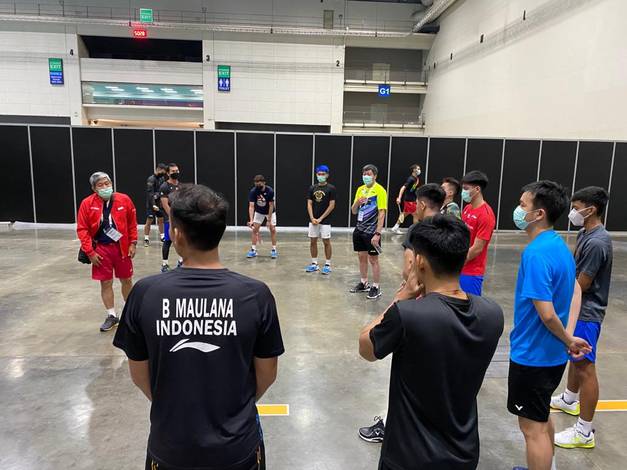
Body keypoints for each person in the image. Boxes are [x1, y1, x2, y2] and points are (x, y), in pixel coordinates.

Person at [113, 184, 284, 470]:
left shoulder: (144, 294)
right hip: (237, 449)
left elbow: (140, 376)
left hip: (170, 447)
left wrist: (173, 404)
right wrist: (233, 408)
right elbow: (267, 375)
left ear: (176, 233)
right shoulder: (256, 295)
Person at [359, 215, 504, 469]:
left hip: (409, 457)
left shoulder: (408, 315)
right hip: (463, 453)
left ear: (421, 262)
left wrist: (401, 298)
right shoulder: (492, 313)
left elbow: (366, 347)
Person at [508, 180, 591, 470]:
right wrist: (567, 338)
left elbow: (546, 313)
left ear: (539, 213)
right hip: (551, 354)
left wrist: (568, 339)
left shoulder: (536, 253)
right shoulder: (559, 245)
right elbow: (573, 294)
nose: (518, 210)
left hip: (533, 355)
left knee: (532, 430)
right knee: (541, 417)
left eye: (523, 205)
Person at [358, 183, 446, 444]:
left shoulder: (418, 230)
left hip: (417, 303)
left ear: (420, 204)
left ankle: (391, 424)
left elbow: (410, 268)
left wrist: (405, 291)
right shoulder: (450, 225)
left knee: (407, 370)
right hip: (443, 301)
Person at [552, 187, 613, 449]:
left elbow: (583, 283)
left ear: (592, 209)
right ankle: (568, 399)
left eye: (577, 208)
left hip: (587, 312)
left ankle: (584, 432)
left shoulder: (598, 242)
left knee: (585, 367)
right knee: (575, 359)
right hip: (579, 308)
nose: (573, 212)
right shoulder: (585, 232)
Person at [77, 172, 137, 332]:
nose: (105, 187)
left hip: (122, 247)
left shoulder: (124, 199)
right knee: (105, 282)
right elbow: (82, 229)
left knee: (127, 279)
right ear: (93, 188)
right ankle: (111, 315)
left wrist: (133, 242)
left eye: (107, 183)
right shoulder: (87, 203)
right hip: (101, 249)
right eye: (100, 185)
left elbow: (132, 222)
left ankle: (130, 313)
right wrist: (90, 252)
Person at [350, 164, 388, 300]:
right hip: (359, 229)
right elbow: (354, 211)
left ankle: (376, 286)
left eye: (369, 174)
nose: (366, 176)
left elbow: (382, 213)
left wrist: (377, 234)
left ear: (375, 176)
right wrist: (357, 203)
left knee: (373, 259)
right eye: (364, 174)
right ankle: (364, 282)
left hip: (372, 231)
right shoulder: (360, 189)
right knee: (361, 256)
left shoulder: (380, 191)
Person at [459, 170, 496, 295]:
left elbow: (477, 248)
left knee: (469, 308)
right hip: (459, 268)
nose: (463, 192)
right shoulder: (467, 208)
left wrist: (456, 262)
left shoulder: (486, 215)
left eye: (466, 188)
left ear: (477, 189)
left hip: (471, 272)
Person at [305, 165, 336, 274]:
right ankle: (314, 263)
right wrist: (312, 218)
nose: (321, 176)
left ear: (327, 175)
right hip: (313, 221)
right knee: (313, 241)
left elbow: (332, 205)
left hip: (325, 221)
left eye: (323, 174)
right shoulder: (312, 188)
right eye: (319, 174)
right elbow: (309, 203)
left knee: (326, 242)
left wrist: (321, 218)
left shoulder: (331, 188)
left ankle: (328, 264)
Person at [247, 175, 278, 259]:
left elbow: (271, 206)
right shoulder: (253, 191)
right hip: (259, 212)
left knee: (272, 229)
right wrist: (251, 220)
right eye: (256, 184)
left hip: (270, 212)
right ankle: (253, 250)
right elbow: (251, 206)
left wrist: (268, 220)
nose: (258, 186)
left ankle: (274, 250)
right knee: (255, 229)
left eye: (259, 184)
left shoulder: (270, 191)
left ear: (264, 183)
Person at [159, 163, 182, 272]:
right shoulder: (165, 186)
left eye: (177, 170)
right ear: (168, 173)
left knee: (180, 240)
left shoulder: (180, 186)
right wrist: (172, 217)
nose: (175, 173)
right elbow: (165, 204)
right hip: (170, 219)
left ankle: (181, 261)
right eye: (173, 171)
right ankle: (165, 264)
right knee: (168, 241)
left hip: (180, 218)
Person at [390, 164, 421, 233]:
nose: (419, 170)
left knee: (404, 214)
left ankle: (395, 227)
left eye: (419, 169)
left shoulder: (416, 179)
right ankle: (415, 231)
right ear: (414, 170)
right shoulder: (411, 179)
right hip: (409, 200)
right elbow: (403, 188)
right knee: (416, 214)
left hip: (412, 199)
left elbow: (413, 189)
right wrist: (399, 198)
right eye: (418, 169)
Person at [143, 163, 168, 247]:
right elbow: (150, 194)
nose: (163, 173)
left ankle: (162, 236)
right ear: (158, 169)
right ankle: (146, 238)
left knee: (161, 219)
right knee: (149, 220)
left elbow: (162, 191)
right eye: (162, 171)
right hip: (151, 204)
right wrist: (153, 204)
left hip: (159, 203)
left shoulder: (162, 179)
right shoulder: (151, 179)